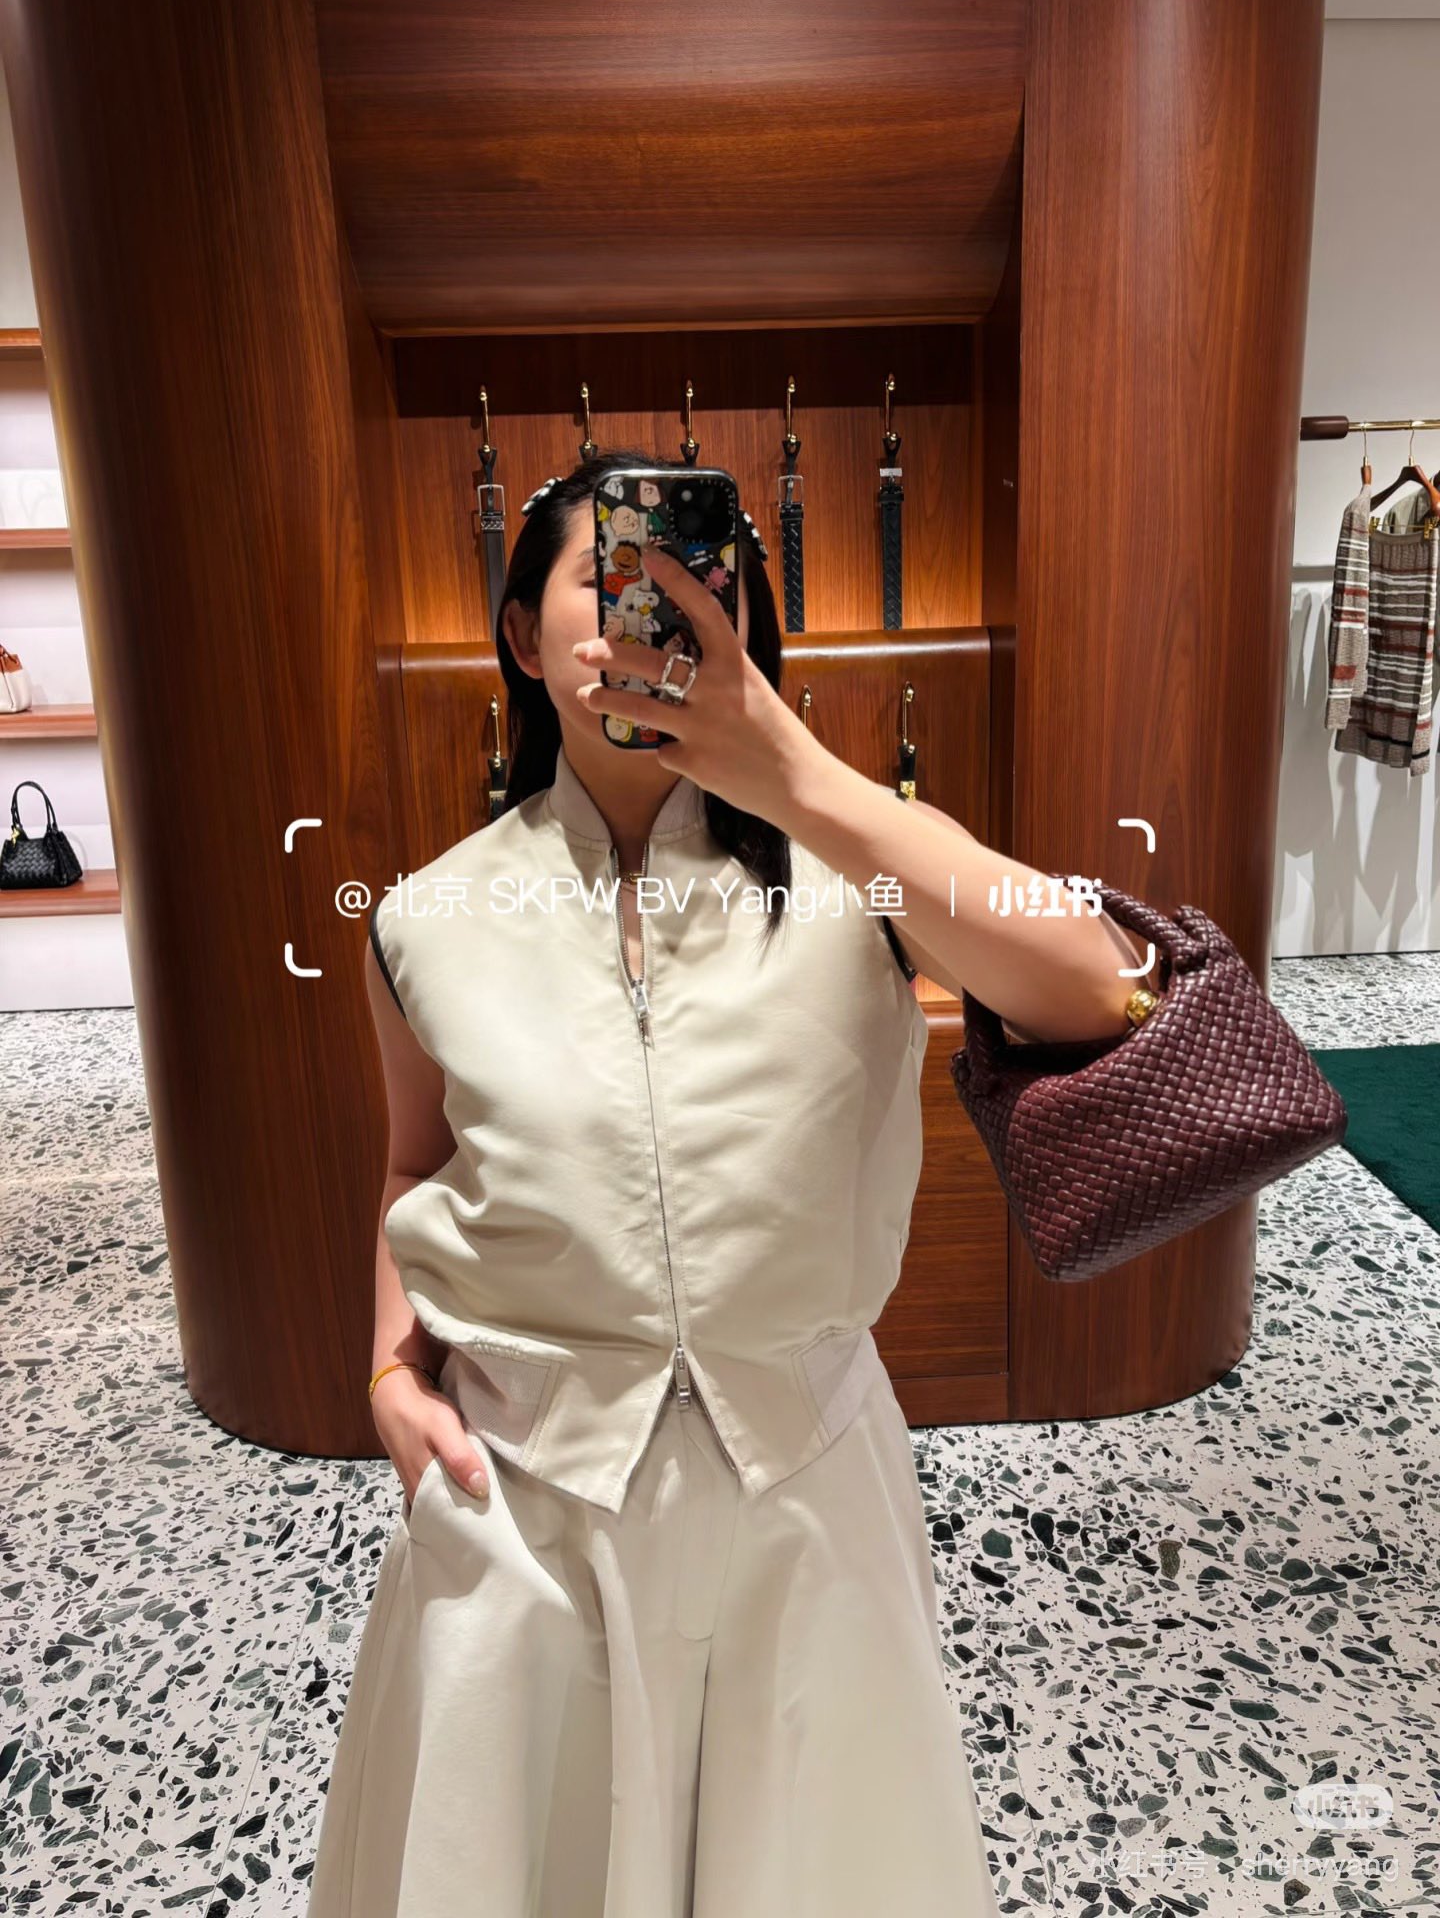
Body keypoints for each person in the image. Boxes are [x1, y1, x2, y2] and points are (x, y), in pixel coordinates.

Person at [307, 449, 1146, 1916]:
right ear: (524, 640)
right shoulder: (428, 917)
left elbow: (1098, 985)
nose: (655, 606)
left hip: (808, 1489)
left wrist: (795, 775)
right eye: (608, 578)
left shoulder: (867, 870)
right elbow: (418, 1161)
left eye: (699, 578)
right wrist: (388, 1370)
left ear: (748, 623)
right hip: (524, 1499)